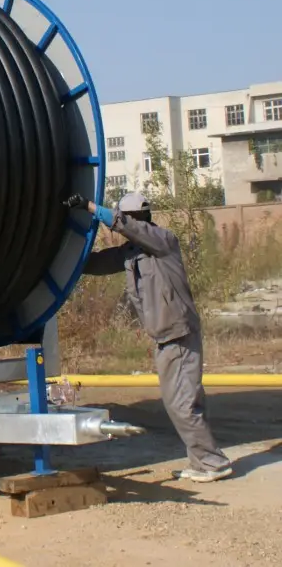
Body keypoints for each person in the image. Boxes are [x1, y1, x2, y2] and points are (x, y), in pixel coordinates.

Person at [64, 190, 232, 483]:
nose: (128, 225)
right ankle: (204, 461)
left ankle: (212, 463)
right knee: (181, 401)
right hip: (166, 336)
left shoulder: (162, 241)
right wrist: (64, 252)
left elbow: (126, 226)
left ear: (138, 218)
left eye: (129, 219)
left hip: (179, 334)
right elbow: (95, 264)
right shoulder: (131, 254)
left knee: (181, 402)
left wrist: (90, 207)